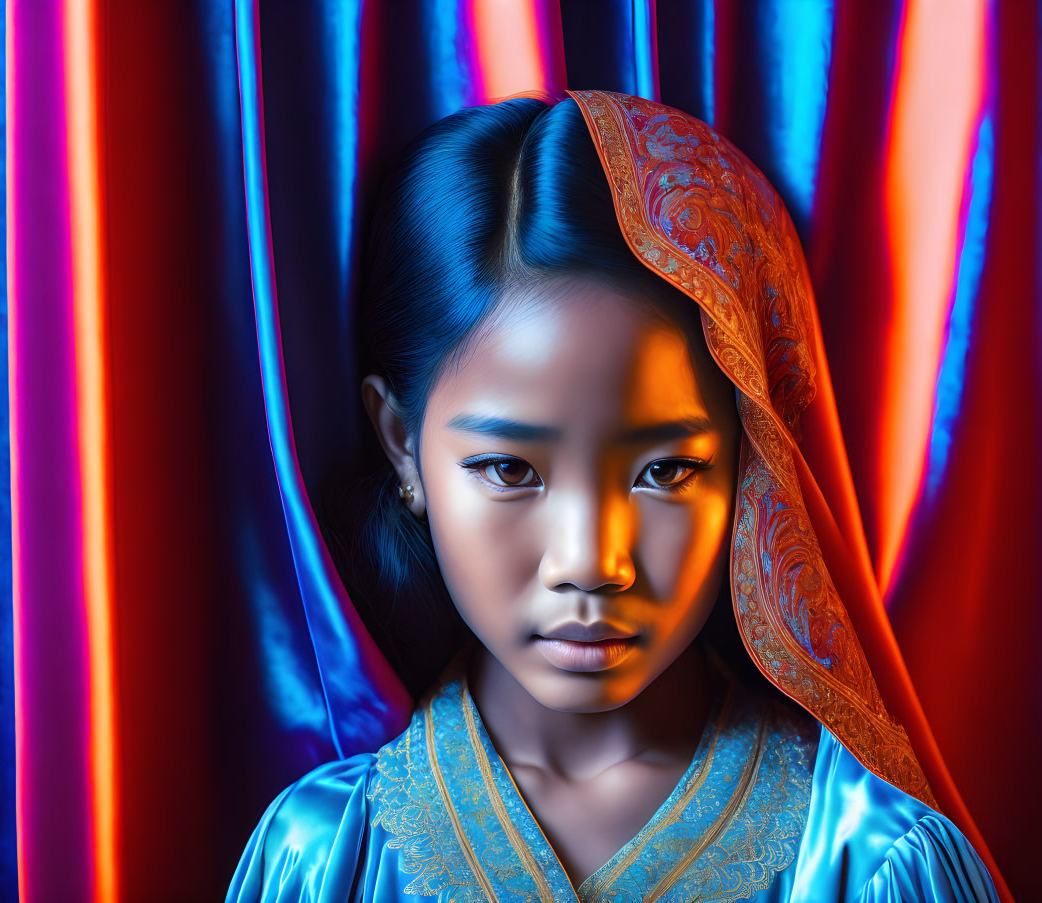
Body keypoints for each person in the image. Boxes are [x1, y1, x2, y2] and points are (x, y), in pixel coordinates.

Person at [226, 91, 1002, 902]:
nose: (590, 562)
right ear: (401, 444)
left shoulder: (866, 855)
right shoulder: (319, 858)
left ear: (755, 462)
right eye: (509, 470)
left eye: (664, 472)